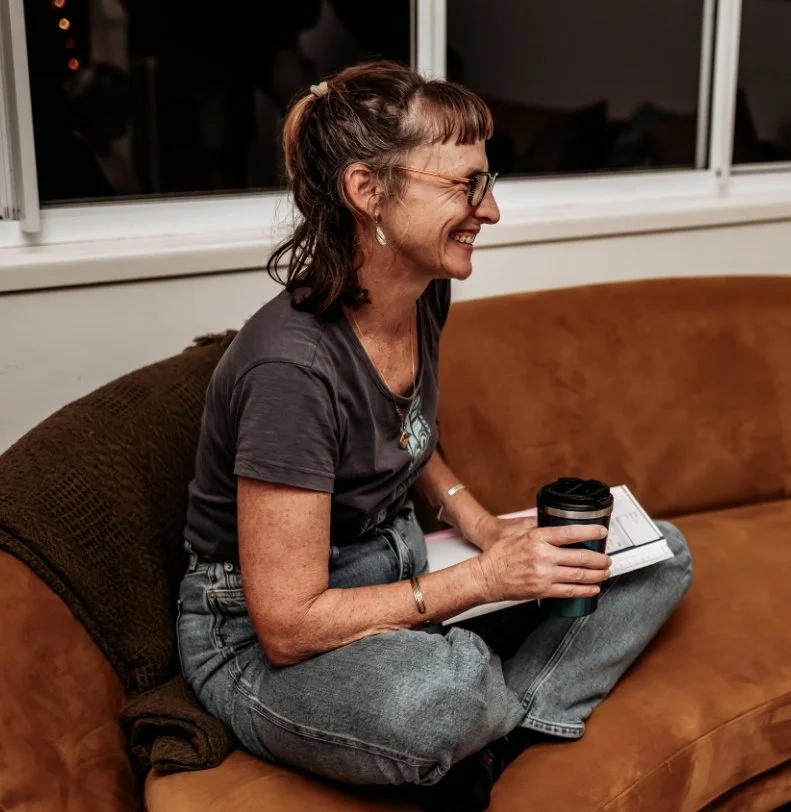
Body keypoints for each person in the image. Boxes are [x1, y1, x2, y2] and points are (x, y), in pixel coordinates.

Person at [177, 61, 693, 812]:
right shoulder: (290, 371)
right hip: (255, 637)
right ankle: (483, 708)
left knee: (657, 557)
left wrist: (478, 524)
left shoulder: (422, 291)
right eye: (465, 185)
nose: (490, 212)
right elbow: (286, 625)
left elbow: (403, 429)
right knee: (442, 697)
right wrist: (484, 584)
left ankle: (500, 730)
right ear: (367, 192)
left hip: (397, 561)